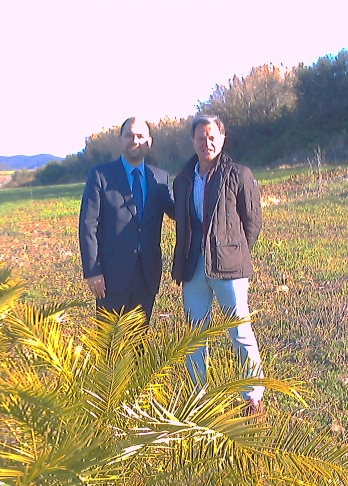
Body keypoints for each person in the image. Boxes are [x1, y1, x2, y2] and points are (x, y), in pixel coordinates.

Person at [172, 114, 264, 414]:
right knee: (196, 334)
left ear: (222, 139)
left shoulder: (238, 173)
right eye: (201, 137)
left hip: (229, 268)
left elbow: (252, 222)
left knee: (239, 331)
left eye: (212, 137)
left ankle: (252, 396)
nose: (206, 143)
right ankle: (198, 399)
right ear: (193, 141)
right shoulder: (183, 180)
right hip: (193, 268)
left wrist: (233, 252)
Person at [79, 117, 174, 323]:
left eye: (140, 136)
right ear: (120, 140)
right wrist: (93, 272)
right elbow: (88, 225)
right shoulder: (100, 175)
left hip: (147, 274)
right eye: (129, 135)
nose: (134, 140)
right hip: (111, 276)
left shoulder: (160, 178)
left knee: (139, 341)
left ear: (149, 142)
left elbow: (177, 212)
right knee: (109, 344)